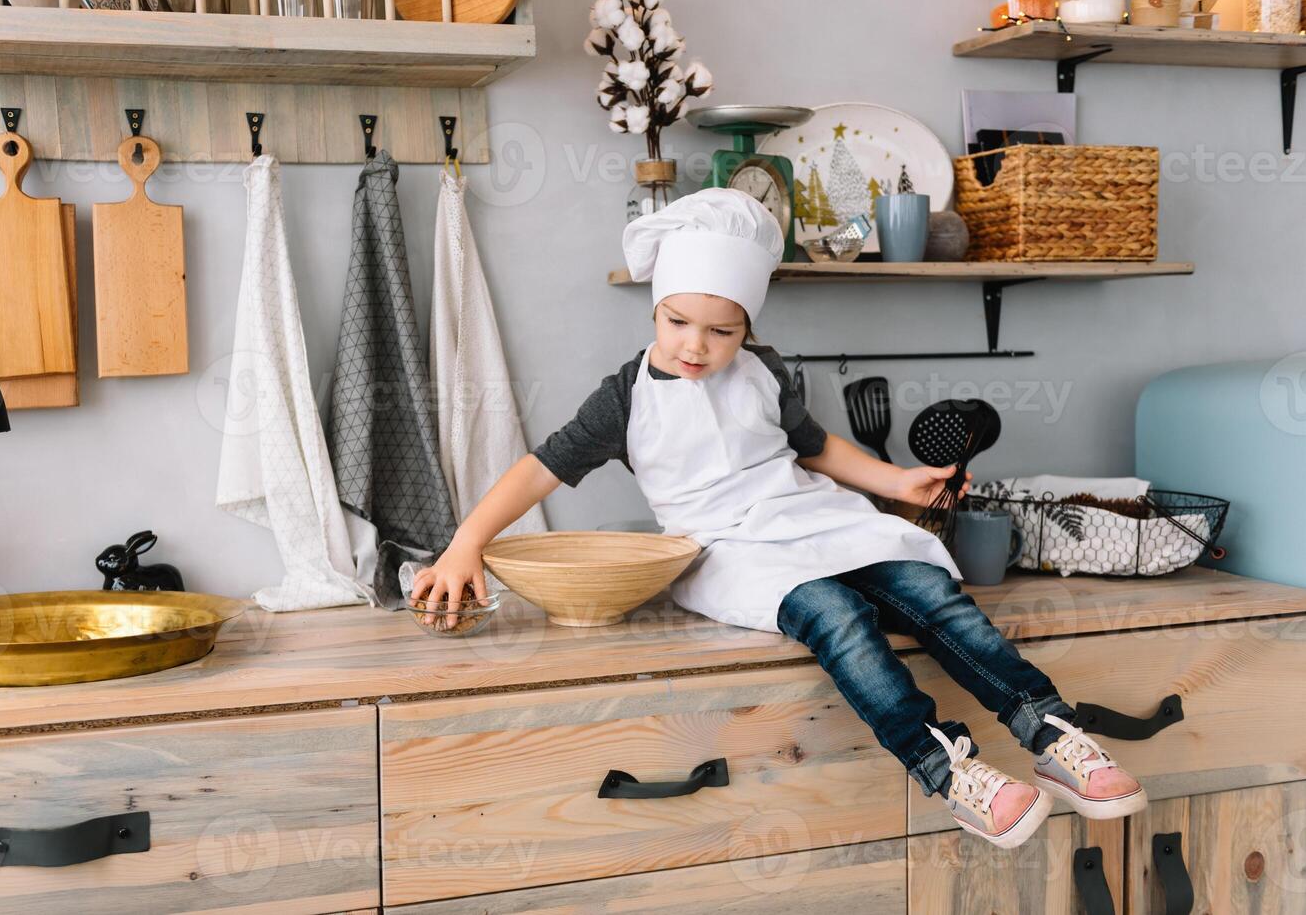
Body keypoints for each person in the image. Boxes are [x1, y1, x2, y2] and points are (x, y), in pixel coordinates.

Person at [410, 187, 1146, 849]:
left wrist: (899, 482)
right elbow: (541, 467)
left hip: (812, 516)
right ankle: (951, 773)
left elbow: (815, 447)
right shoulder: (624, 397)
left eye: (721, 331)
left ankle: (1052, 734)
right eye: (679, 322)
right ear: (655, 309)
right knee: (838, 615)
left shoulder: (763, 368)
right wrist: (466, 543)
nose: (697, 345)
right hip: (724, 548)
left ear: (746, 325)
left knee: (931, 592)